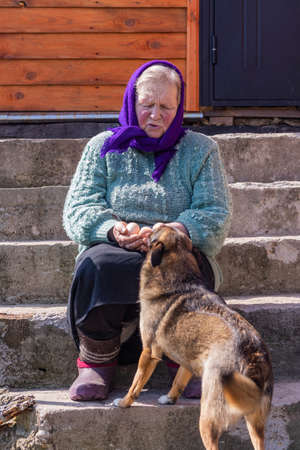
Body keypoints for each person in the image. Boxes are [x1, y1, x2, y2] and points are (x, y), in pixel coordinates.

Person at [63, 60, 232, 402]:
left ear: (179, 107)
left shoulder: (200, 150)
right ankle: (98, 361)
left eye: (166, 107)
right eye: (147, 105)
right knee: (99, 265)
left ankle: (186, 358)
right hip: (117, 247)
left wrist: (175, 228)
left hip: (176, 247)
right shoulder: (103, 147)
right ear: (131, 101)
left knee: (178, 267)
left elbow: (215, 214)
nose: (156, 114)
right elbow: (78, 209)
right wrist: (113, 230)